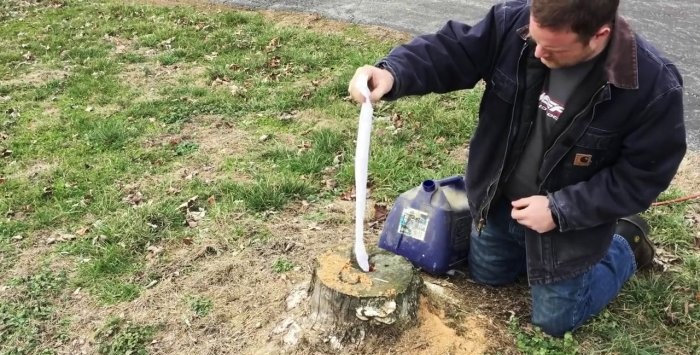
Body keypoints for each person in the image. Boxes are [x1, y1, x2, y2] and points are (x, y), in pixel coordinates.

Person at [347, 0, 686, 337]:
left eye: (552, 49)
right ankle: (527, 252)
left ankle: (625, 243)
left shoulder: (651, 86)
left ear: (599, 35)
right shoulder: (513, 24)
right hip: (499, 202)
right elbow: (452, 50)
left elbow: (642, 176)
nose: (537, 53)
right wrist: (393, 72)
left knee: (555, 321)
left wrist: (560, 210)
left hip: (569, 227)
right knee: (488, 276)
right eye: (535, 40)